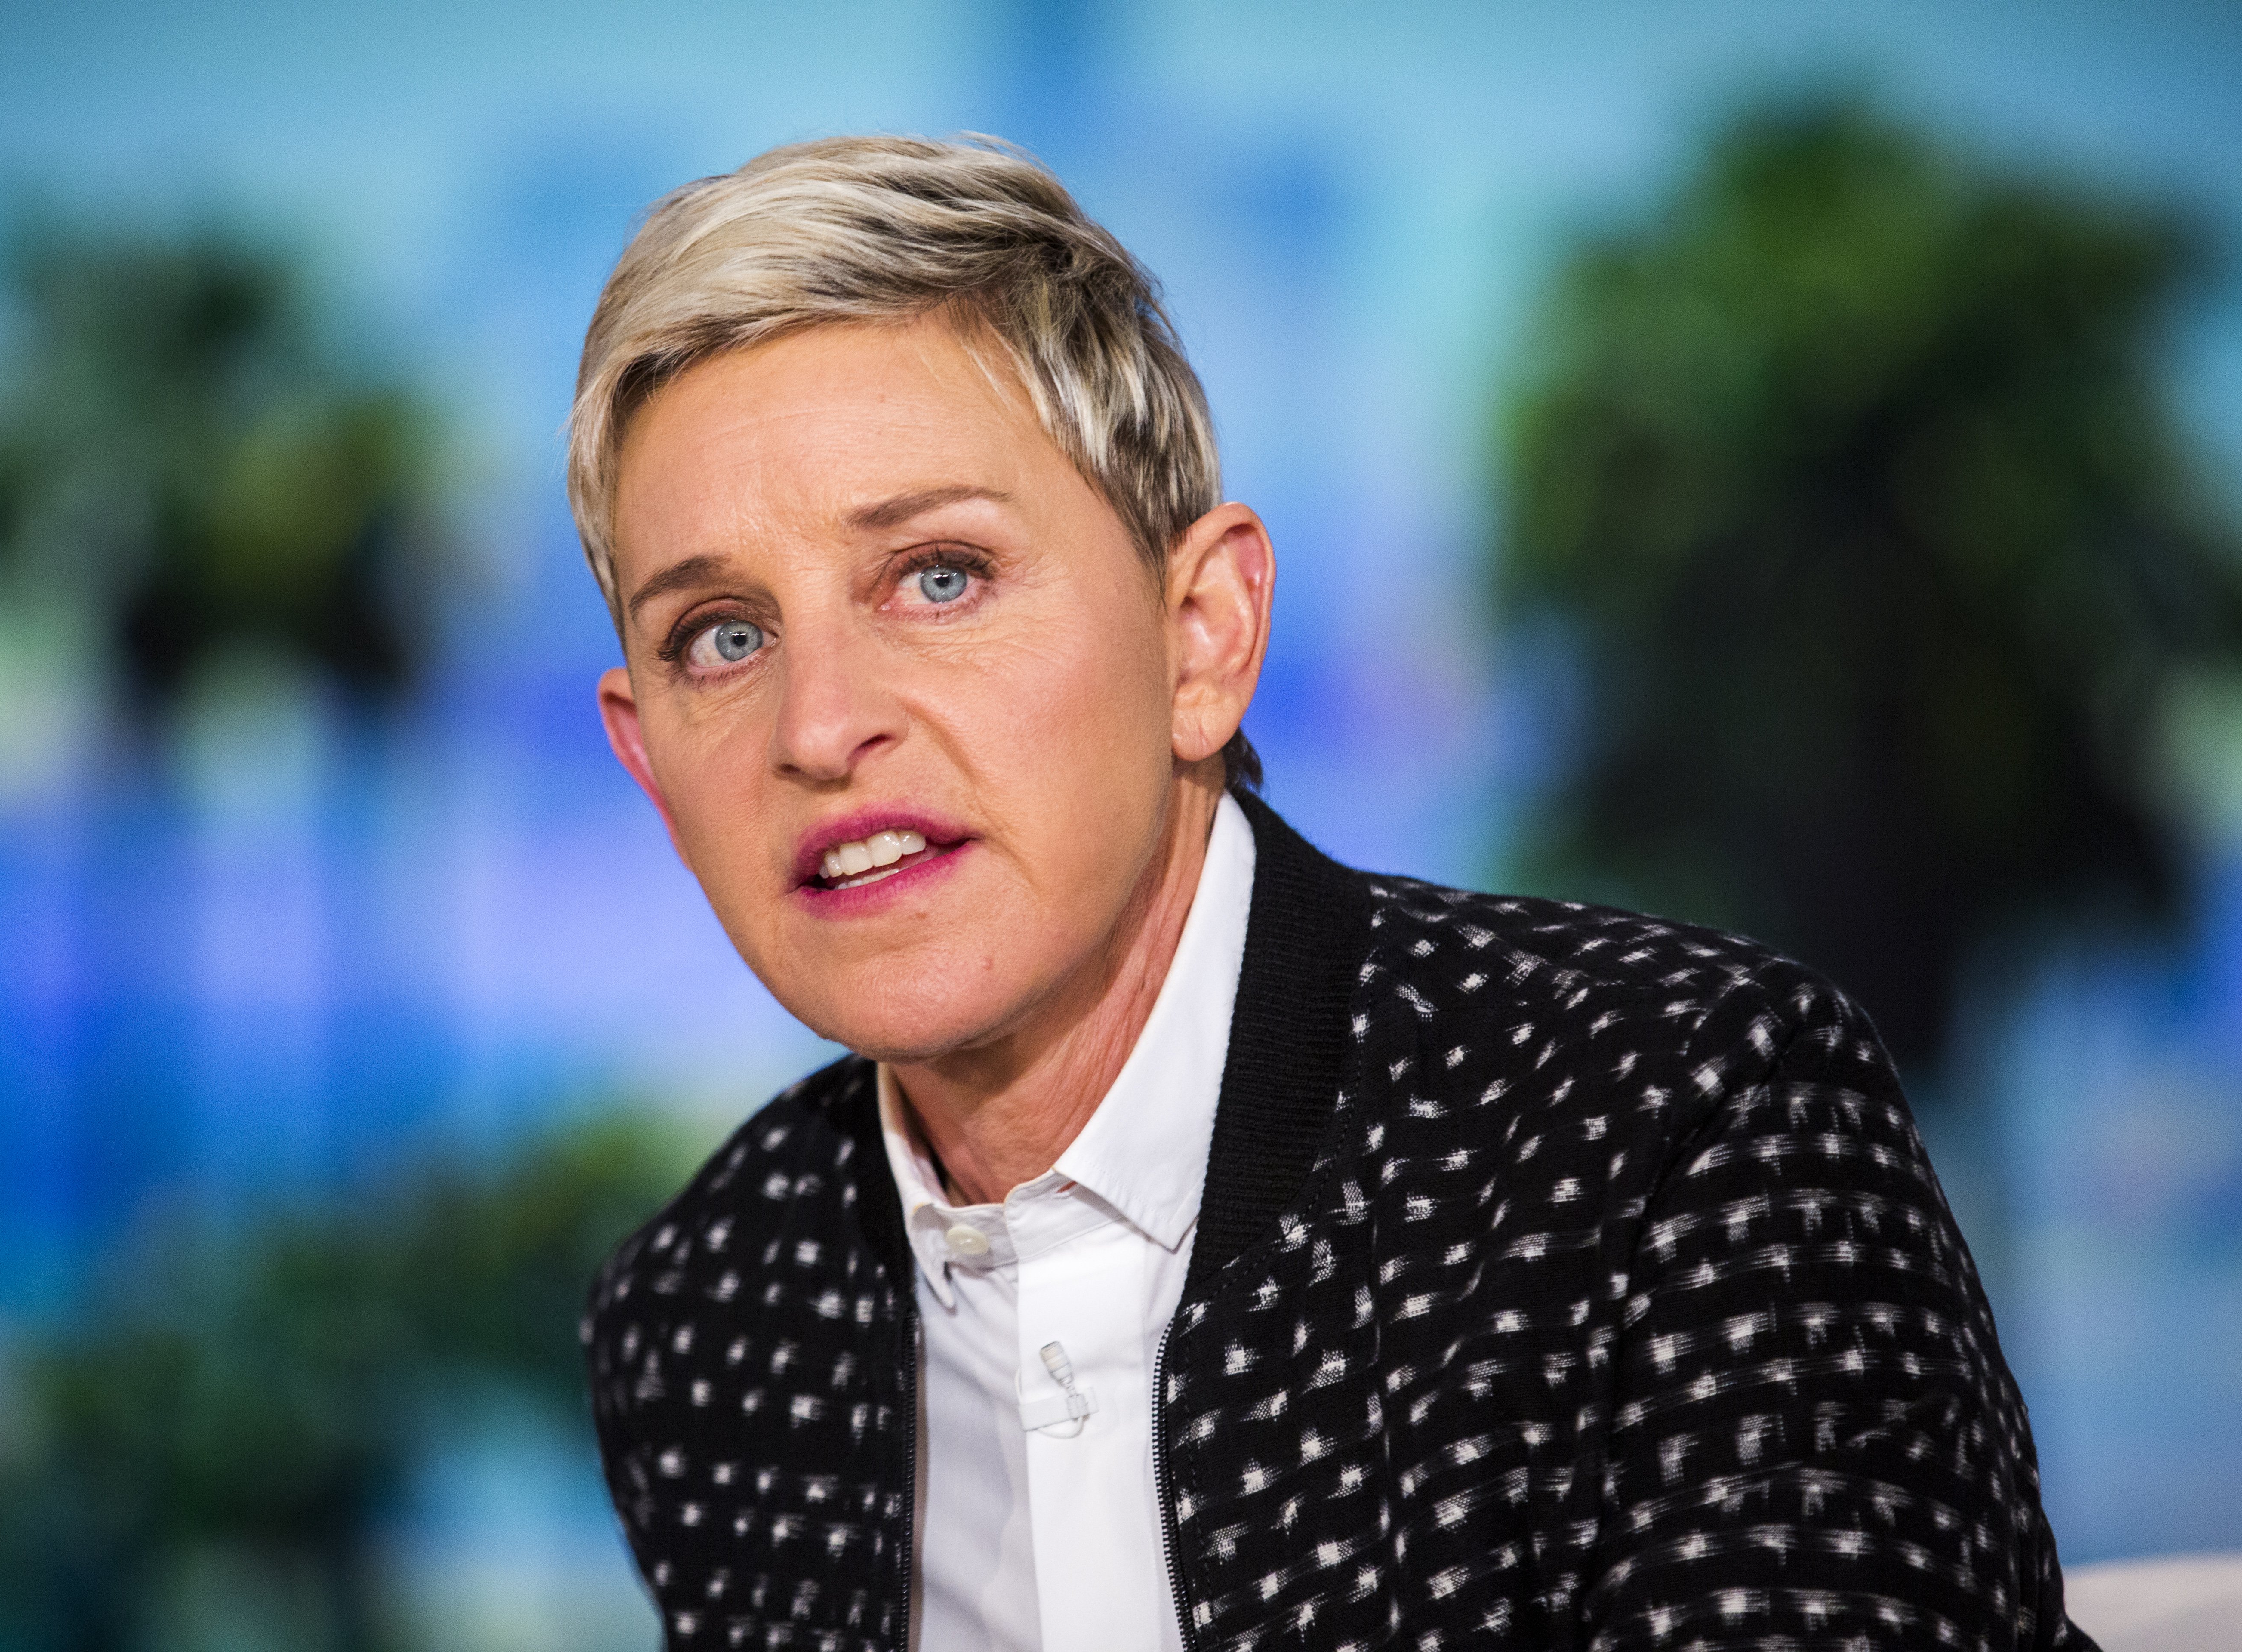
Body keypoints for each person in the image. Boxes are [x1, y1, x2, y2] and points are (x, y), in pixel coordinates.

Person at [570, 134, 2090, 1652]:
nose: (821, 726)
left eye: (940, 575)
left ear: (1203, 638)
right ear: (650, 766)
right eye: (720, 636)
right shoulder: (709, 1318)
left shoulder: (1678, 1122)